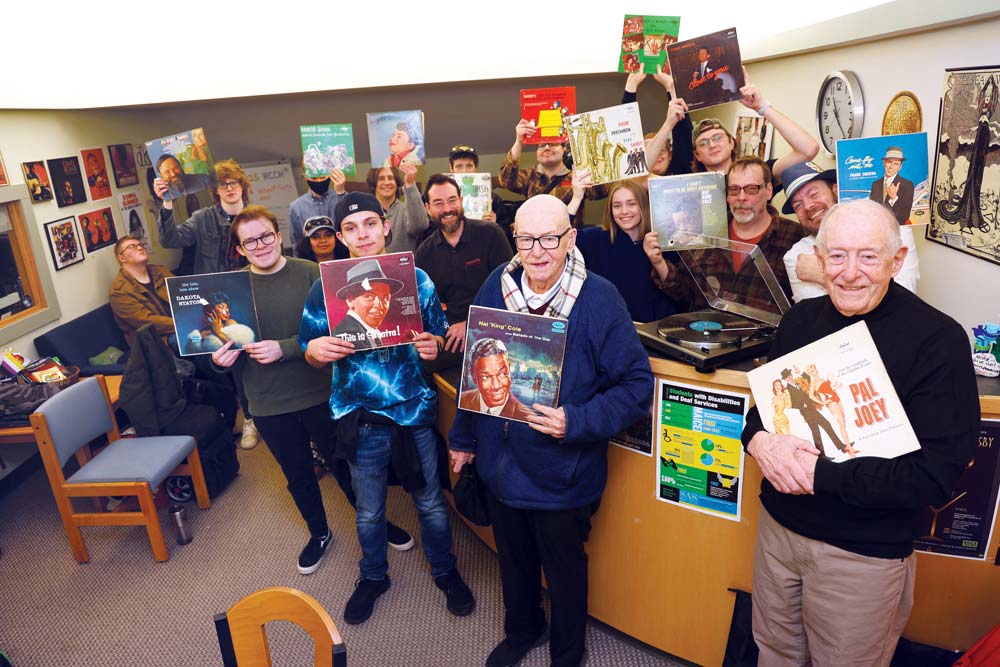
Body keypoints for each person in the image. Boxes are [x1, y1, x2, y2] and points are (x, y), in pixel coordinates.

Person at [741, 198, 979, 667]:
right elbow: (761, 413)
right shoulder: (800, 320)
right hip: (779, 536)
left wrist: (820, 475)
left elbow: (935, 476)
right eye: (837, 256)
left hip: (861, 555)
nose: (850, 273)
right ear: (818, 258)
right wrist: (758, 441)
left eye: (868, 257)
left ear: (897, 260)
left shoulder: (938, 340)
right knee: (774, 656)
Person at [448, 195, 654, 667]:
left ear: (570, 239)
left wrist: (575, 421)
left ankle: (567, 650)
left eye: (550, 238)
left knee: (564, 572)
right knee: (514, 562)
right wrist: (463, 438)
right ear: (514, 238)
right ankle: (523, 629)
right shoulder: (496, 286)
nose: (537, 251)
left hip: (563, 473)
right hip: (501, 466)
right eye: (526, 239)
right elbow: (473, 367)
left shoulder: (599, 297)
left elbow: (637, 384)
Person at [299, 191, 475, 625]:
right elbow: (309, 349)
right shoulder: (323, 290)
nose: (363, 234)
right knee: (369, 507)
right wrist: (316, 350)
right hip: (360, 415)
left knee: (431, 502)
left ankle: (445, 569)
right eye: (352, 228)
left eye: (370, 224)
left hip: (414, 408)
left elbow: (436, 338)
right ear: (341, 236)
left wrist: (431, 347)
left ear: (386, 226)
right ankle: (373, 575)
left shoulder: (418, 281)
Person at [210, 205, 413, 577]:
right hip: (267, 401)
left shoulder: (314, 275)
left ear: (279, 235)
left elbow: (337, 330)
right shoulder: (229, 290)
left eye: (266, 235)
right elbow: (222, 343)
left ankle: (374, 523)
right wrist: (217, 360)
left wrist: (284, 348)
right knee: (297, 474)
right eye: (249, 241)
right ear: (240, 249)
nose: (260, 245)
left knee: (346, 467)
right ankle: (319, 533)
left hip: (322, 392)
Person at [645, 157, 803, 310]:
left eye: (751, 189)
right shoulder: (707, 232)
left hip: (767, 336)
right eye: (734, 190)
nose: (741, 197)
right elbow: (686, 292)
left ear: (768, 191)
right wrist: (659, 263)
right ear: (727, 195)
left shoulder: (794, 237)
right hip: (707, 332)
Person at [781, 161, 920, 302]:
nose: (808, 206)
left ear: (835, 190)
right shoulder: (797, 256)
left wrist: (821, 274)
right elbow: (816, 316)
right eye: (798, 205)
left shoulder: (898, 232)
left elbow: (904, 298)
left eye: (814, 194)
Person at [414, 174, 513, 371]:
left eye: (452, 200)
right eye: (438, 203)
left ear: (461, 200)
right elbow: (426, 309)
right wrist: (436, 338)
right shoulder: (424, 252)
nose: (447, 209)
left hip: (495, 327)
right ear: (428, 208)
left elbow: (510, 292)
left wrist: (470, 324)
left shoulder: (491, 234)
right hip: (449, 337)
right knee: (418, 364)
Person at [572, 176, 682, 322]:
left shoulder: (663, 240)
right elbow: (556, 235)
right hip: (610, 332)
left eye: (631, 204)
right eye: (617, 205)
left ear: (643, 205)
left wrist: (658, 261)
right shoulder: (595, 239)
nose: (624, 211)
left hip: (653, 335)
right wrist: (576, 198)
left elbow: (681, 293)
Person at [690, 69, 819, 186]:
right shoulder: (691, 187)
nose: (712, 145)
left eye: (717, 137)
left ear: (731, 143)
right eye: (703, 143)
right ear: (697, 155)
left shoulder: (757, 174)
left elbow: (808, 150)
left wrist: (761, 106)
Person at [156, 158, 250, 274]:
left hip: (252, 286)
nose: (229, 188)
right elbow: (169, 240)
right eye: (223, 184)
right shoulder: (202, 219)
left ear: (242, 186)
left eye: (234, 183)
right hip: (214, 289)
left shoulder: (259, 218)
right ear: (215, 189)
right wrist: (167, 201)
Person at [498, 119, 607, 207]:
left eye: (552, 144)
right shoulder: (529, 175)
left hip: (568, 233)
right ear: (536, 154)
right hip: (536, 233)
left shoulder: (577, 175)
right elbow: (505, 181)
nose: (546, 148)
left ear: (564, 149)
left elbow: (600, 193)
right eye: (541, 146)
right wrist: (519, 141)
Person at [109, 235, 175, 347]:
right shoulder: (119, 292)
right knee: (205, 342)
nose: (140, 248)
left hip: (180, 326)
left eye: (141, 245)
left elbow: (185, 294)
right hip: (156, 341)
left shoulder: (160, 271)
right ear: (122, 258)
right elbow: (147, 322)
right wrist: (182, 325)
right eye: (132, 247)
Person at [331, 259, 402, 351]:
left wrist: (406, 344)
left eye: (385, 298)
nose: (379, 305)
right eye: (369, 296)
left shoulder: (366, 330)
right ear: (350, 300)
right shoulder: (349, 332)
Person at [457, 338, 534, 420]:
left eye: (503, 374)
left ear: (509, 369)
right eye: (486, 377)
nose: (496, 386)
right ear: (473, 376)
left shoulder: (527, 418)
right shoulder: (463, 400)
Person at [448, 144, 515, 235]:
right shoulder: (444, 200)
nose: (464, 171)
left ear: (476, 168)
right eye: (459, 166)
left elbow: (507, 236)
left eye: (469, 166)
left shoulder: (493, 200)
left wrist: (495, 225)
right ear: (451, 169)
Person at [366, 165, 429, 253]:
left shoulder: (407, 210)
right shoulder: (365, 213)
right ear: (373, 183)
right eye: (381, 178)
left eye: (390, 178)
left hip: (404, 266)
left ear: (396, 183)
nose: (387, 182)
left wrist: (410, 184)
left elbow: (420, 226)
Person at [289, 166, 347, 252]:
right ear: (305, 176)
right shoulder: (296, 207)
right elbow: (296, 242)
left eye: (323, 176)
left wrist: (341, 194)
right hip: (312, 260)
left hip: (343, 256)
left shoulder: (343, 198)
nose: (319, 181)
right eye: (314, 177)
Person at [183, 291, 256, 355]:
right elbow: (194, 347)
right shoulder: (203, 331)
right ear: (210, 311)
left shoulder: (230, 323)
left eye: (227, 307)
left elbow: (240, 347)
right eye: (221, 307)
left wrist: (219, 332)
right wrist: (201, 337)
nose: (226, 310)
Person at [868, 146, 915, 225]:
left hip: (896, 229)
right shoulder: (875, 184)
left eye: (896, 164)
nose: (891, 167)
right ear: (884, 163)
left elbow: (904, 216)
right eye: (889, 162)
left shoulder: (907, 185)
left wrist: (894, 198)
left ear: (900, 167)